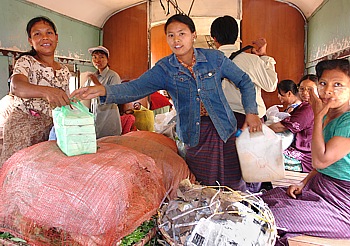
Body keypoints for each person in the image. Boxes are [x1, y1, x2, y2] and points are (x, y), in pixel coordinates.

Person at [71, 13, 262, 191]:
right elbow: (135, 88)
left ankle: (237, 220)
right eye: (171, 35)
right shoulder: (164, 69)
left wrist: (251, 113)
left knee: (233, 184)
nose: (176, 40)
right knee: (203, 188)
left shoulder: (215, 59)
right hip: (194, 135)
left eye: (182, 34)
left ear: (193, 35)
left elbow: (244, 81)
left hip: (224, 129)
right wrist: (104, 90)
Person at [262, 58, 350, 245]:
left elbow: (320, 161)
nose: (328, 90)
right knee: (267, 200)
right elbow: (320, 168)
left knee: (270, 219)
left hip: (342, 201)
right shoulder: (331, 113)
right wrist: (303, 182)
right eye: (323, 83)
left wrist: (318, 117)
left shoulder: (346, 121)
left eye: (338, 85)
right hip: (320, 186)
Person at [0, 16, 70, 167]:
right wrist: (47, 91)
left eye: (49, 33)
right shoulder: (26, 62)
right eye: (37, 34)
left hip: (51, 128)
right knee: (16, 170)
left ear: (56, 38)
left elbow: (64, 100)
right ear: (30, 41)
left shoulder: (64, 70)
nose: (44, 37)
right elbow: (17, 86)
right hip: (23, 128)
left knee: (42, 171)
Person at [210, 15, 278, 128]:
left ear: (214, 38)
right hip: (251, 122)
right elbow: (270, 86)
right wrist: (264, 57)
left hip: (220, 122)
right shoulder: (252, 60)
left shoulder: (207, 63)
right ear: (236, 36)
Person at [269, 79, 314, 172]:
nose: (305, 93)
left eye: (310, 89)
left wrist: (262, 128)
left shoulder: (309, 109)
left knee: (263, 155)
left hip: (305, 157)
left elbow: (282, 126)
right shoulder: (303, 106)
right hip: (297, 149)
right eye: (302, 89)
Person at [85, 46, 122, 138]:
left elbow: (114, 96)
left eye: (101, 57)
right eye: (94, 57)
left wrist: (95, 82)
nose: (98, 60)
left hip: (109, 119)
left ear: (107, 59)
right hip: (95, 118)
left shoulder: (113, 76)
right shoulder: (92, 76)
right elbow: (85, 93)